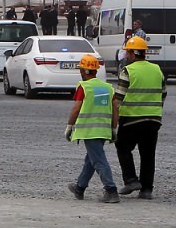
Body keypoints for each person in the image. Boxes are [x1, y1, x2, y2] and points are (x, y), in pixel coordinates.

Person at [113, 36, 166, 200]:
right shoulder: (156, 69)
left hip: (131, 118)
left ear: (132, 54)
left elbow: (118, 98)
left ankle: (130, 180)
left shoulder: (128, 71)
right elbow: (163, 93)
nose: (126, 56)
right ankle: (147, 189)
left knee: (122, 147)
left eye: (127, 52)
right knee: (148, 154)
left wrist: (113, 118)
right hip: (153, 120)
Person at [65, 54, 120, 203]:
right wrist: (114, 128)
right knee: (91, 159)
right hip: (103, 130)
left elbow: (76, 108)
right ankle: (80, 188)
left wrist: (69, 126)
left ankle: (111, 190)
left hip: (89, 131)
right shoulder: (108, 88)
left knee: (99, 161)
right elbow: (115, 108)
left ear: (84, 71)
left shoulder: (84, 87)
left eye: (81, 69)